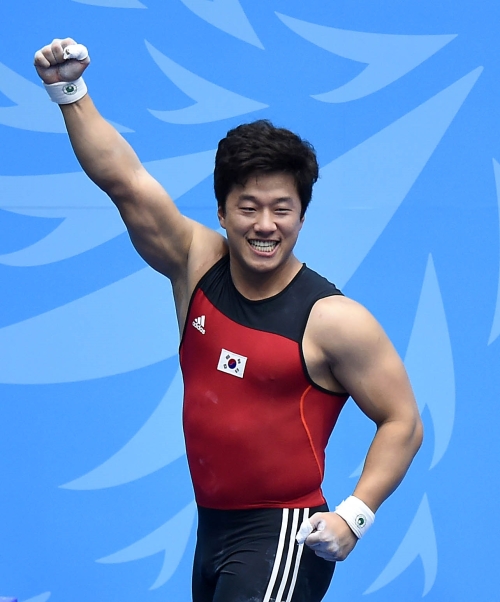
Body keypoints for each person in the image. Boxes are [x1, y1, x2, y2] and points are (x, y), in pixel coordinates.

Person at [34, 38, 423, 602]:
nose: (265, 225)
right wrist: (69, 91)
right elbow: (125, 182)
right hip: (213, 531)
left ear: (302, 217)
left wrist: (355, 516)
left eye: (282, 209)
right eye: (248, 207)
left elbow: (403, 420)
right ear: (221, 211)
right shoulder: (195, 265)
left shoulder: (334, 321)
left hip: (285, 533)